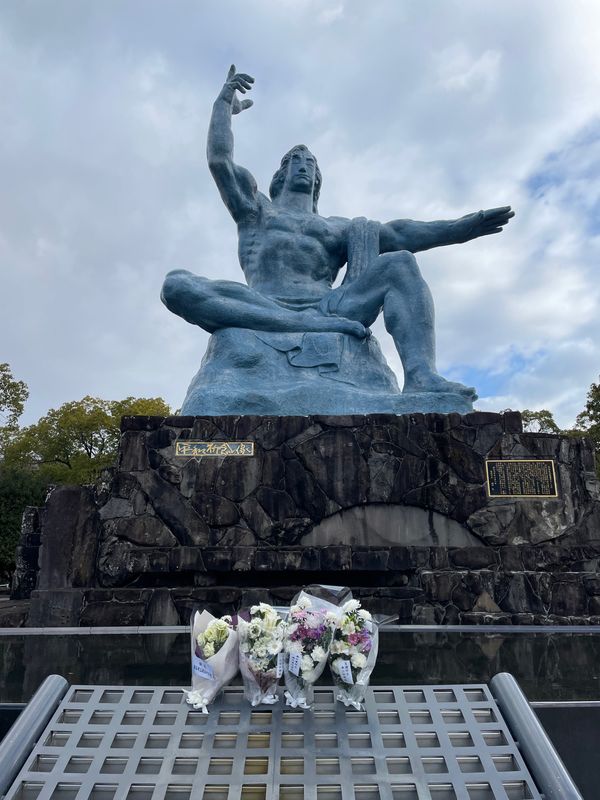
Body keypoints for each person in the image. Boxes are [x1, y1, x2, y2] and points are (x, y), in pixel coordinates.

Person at [162, 66, 514, 397]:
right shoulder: (256, 210)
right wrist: (223, 106)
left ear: (317, 180)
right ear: (280, 175)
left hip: (330, 307)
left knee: (400, 263)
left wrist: (460, 228)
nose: (303, 165)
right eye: (294, 161)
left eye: (310, 163)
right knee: (176, 285)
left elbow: (401, 234)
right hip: (264, 300)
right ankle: (293, 323)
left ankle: (422, 376)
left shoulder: (338, 228)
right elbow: (219, 161)